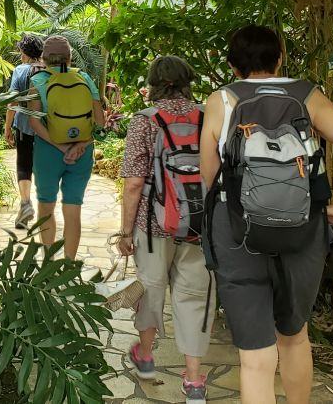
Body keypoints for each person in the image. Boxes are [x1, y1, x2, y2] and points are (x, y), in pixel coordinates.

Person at [200, 25, 333, 404]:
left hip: (237, 231)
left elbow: (208, 178)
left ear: (232, 65)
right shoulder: (306, 95)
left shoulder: (221, 101)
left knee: (255, 355)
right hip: (303, 229)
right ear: (280, 57)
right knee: (295, 335)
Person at [117, 56, 211, 404]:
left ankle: (145, 357)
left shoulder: (145, 121)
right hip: (201, 225)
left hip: (153, 226)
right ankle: (194, 379)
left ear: (154, 82)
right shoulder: (208, 116)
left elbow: (132, 183)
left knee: (151, 290)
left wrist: (125, 232)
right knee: (193, 298)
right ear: (188, 80)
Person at [26, 35, 105, 259]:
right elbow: (100, 122)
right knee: (73, 210)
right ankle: (69, 265)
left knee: (46, 205)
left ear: (44, 58)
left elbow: (34, 122)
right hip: (82, 153)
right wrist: (80, 145)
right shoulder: (85, 78)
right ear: (70, 57)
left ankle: (49, 264)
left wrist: (61, 148)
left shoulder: (38, 80)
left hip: (48, 152)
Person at [4, 34, 44, 229]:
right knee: (44, 167)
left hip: (24, 126)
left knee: (24, 165)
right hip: (46, 129)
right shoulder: (50, 71)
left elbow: (12, 102)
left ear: (26, 54)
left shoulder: (20, 71)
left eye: (21, 52)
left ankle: (26, 203)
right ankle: (47, 211)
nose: (20, 56)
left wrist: (7, 128)